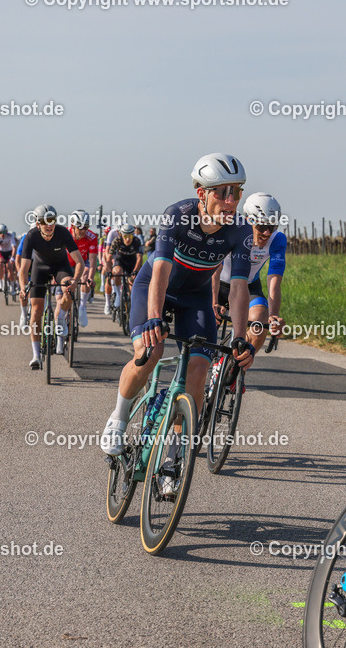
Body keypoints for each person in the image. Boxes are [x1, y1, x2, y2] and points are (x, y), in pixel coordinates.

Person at [100, 153, 256, 497]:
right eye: (222, 192)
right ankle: (119, 419)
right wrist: (154, 317)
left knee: (199, 369)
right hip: (156, 288)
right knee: (149, 351)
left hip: (195, 299)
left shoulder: (241, 230)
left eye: (237, 192)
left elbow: (240, 287)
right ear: (201, 193)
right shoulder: (178, 215)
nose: (231, 200)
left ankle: (172, 461)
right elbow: (159, 271)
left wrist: (241, 338)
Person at [212, 192, 287, 355]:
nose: (267, 232)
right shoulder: (230, 229)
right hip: (218, 286)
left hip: (249, 287)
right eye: (262, 226)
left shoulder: (277, 239)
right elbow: (215, 271)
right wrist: (213, 302)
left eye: (272, 226)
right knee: (206, 330)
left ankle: (236, 366)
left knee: (260, 320)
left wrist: (273, 317)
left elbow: (274, 281)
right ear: (248, 220)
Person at [17, 205, 84, 368]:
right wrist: (23, 287)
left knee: (68, 288)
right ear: (37, 223)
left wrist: (75, 280)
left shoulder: (62, 233)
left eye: (52, 220)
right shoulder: (31, 236)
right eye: (44, 221)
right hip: (39, 269)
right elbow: (23, 269)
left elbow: (79, 262)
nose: (49, 225)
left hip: (60, 267)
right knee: (36, 310)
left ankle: (60, 317)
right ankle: (36, 355)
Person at [66, 210, 99, 328]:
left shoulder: (91, 237)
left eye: (86, 227)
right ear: (73, 226)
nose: (84, 231)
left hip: (83, 261)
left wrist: (90, 278)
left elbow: (93, 260)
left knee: (85, 274)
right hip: (67, 262)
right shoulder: (65, 234)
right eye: (81, 228)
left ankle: (82, 306)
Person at [103, 223, 145, 316]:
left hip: (132, 263)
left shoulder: (136, 241)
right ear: (121, 235)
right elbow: (109, 258)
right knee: (117, 273)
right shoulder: (117, 240)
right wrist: (109, 271)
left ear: (133, 235)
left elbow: (139, 258)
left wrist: (135, 271)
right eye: (125, 236)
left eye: (130, 236)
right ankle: (118, 294)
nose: (127, 239)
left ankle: (133, 304)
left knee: (132, 283)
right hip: (120, 260)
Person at [0, 224, 18, 293]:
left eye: (4, 232)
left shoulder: (10, 236)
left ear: (6, 232)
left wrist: (12, 258)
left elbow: (14, 248)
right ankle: (0, 284)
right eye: (0, 232)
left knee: (10, 267)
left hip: (9, 252)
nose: (2, 234)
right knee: (0, 265)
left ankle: (12, 288)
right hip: (0, 251)